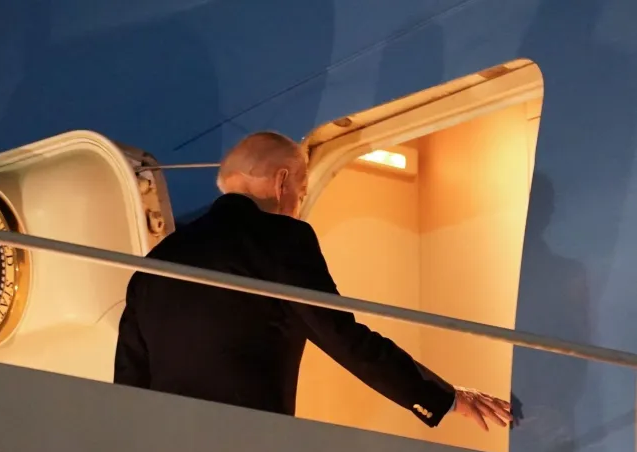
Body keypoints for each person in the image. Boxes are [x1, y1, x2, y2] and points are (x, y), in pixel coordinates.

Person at [114, 131, 513, 430]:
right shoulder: (282, 237)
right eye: (302, 192)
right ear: (282, 181)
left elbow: (129, 381)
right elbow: (341, 335)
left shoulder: (157, 262)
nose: (298, 205)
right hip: (248, 447)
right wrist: (441, 398)